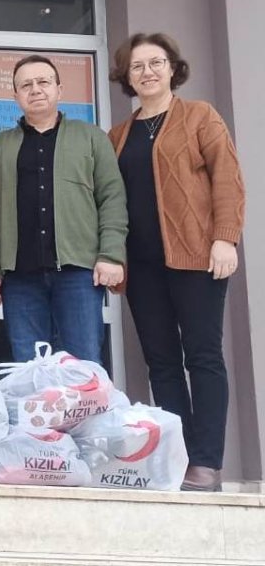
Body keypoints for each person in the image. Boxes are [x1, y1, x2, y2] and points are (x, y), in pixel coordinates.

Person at [108, 33, 245, 492]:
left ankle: (206, 461)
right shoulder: (119, 135)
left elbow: (228, 179)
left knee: (203, 357)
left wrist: (225, 239)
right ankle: (179, 458)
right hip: (141, 265)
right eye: (137, 66)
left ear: (172, 68)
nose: (147, 71)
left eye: (156, 62)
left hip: (196, 257)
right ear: (126, 77)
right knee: (161, 363)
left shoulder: (200, 116)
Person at [0, 55, 127, 365]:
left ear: (59, 89)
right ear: (15, 96)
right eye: (25, 85)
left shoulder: (91, 138)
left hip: (79, 274)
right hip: (19, 279)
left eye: (43, 82)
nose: (35, 89)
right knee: (30, 370)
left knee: (83, 368)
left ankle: (83, 417)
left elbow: (112, 198)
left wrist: (110, 255)